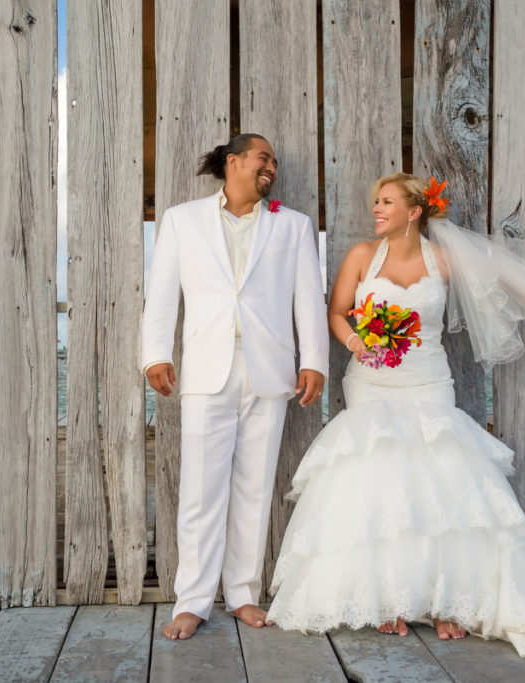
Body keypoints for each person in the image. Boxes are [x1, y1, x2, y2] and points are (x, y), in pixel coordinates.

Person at [266, 173, 525, 662]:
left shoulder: (443, 259)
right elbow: (337, 312)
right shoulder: (364, 256)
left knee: (441, 486)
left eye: (386, 202)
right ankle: (391, 598)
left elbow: (512, 280)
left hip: (429, 381)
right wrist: (355, 341)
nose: (377, 210)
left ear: (414, 211)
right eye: (375, 203)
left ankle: (443, 599)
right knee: (381, 485)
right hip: (370, 381)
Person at [141, 133, 329, 640]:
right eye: (263, 158)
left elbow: (309, 297)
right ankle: (193, 601)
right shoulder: (182, 219)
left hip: (270, 371)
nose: (271, 167)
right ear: (234, 162)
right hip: (205, 369)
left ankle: (243, 594)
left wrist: (313, 360)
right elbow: (162, 291)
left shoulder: (292, 226)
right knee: (201, 491)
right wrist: (155, 353)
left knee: (255, 487)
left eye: (274, 161)